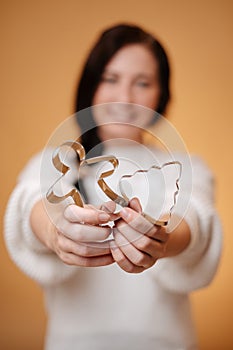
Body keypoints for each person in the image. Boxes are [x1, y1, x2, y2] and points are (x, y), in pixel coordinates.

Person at [4, 23, 222, 350]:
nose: (125, 97)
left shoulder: (186, 166)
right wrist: (55, 231)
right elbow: (29, 202)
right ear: (91, 84)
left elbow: (196, 217)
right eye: (111, 78)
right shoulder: (55, 161)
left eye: (142, 83)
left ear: (161, 94)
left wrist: (161, 240)